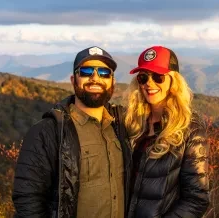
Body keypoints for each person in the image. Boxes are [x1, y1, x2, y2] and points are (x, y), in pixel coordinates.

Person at [12, 46, 132, 218]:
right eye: (86, 71)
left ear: (113, 82)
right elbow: (27, 199)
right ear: (73, 79)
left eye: (104, 73)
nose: (95, 78)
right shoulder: (48, 132)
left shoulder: (121, 126)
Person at [124, 46, 210, 218]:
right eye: (143, 77)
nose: (149, 83)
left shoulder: (190, 128)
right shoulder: (131, 122)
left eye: (158, 77)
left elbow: (197, 199)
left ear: (174, 81)